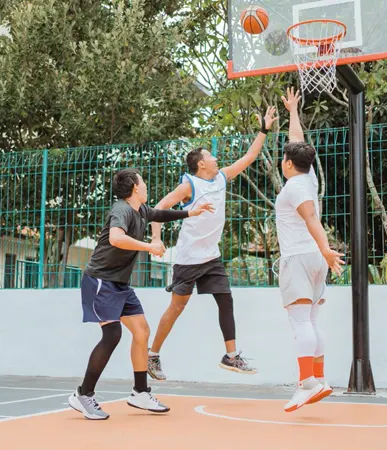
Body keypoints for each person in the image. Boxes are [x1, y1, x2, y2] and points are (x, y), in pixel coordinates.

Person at [68, 168, 215, 420]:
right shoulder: (121, 209)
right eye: (143, 182)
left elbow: (161, 213)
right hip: (101, 281)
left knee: (142, 332)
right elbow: (116, 238)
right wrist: (149, 246)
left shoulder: (141, 210)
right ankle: (83, 394)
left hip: (120, 284)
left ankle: (140, 392)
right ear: (135, 187)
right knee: (112, 334)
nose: (146, 186)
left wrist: (192, 211)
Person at [145, 106, 279, 381]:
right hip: (188, 258)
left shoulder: (221, 177)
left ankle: (231, 356)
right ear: (200, 163)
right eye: (210, 156)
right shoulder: (189, 186)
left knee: (225, 299)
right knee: (177, 307)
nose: (215, 158)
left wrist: (263, 129)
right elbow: (158, 208)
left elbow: (250, 156)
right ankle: (153, 355)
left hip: (211, 257)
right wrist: (156, 238)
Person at [274, 87, 344, 412]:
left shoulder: (293, 187)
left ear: (287, 164)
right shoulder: (309, 176)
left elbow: (312, 218)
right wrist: (292, 111)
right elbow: (298, 143)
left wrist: (328, 248)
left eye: (283, 157)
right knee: (311, 320)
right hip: (313, 258)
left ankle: (307, 384)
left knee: (300, 322)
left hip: (300, 257)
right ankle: (318, 379)